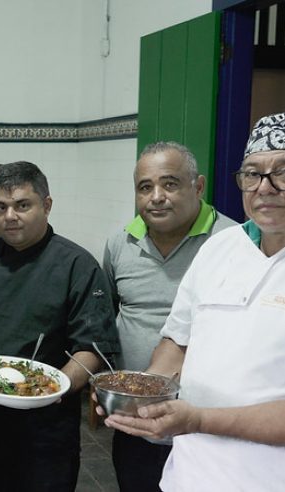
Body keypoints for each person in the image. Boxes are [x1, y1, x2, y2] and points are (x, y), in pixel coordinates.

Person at [103, 112, 285, 491]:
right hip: (189, 473)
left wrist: (198, 419)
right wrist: (140, 394)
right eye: (252, 173)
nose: (264, 187)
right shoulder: (221, 248)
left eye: (281, 171)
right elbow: (177, 342)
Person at [0, 161, 120, 491]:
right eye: (2, 206)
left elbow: (91, 347)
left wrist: (57, 385)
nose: (10, 216)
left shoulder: (77, 265)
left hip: (45, 431)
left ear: (46, 205)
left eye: (23, 205)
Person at [102, 141, 236, 491]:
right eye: (145, 187)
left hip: (204, 423)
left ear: (199, 186)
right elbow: (109, 314)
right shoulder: (120, 244)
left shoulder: (232, 244)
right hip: (135, 418)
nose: (156, 196)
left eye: (170, 183)